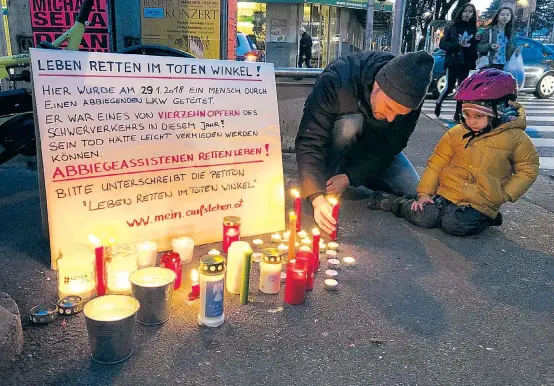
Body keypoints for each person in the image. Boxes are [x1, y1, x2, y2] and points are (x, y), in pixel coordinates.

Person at [368, 69, 539, 237]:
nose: (470, 121)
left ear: (498, 111)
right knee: (424, 216)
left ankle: (487, 218)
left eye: (478, 116)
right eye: (466, 114)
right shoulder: (456, 133)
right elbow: (436, 164)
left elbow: (528, 169)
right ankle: (392, 203)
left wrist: (505, 193)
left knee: (454, 225)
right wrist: (424, 194)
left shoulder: (514, 138)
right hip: (446, 195)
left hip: (480, 202)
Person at [295, 51, 434, 235]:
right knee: (350, 124)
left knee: (411, 189)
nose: (392, 118)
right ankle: (330, 175)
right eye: (390, 107)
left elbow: (391, 146)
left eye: (399, 114)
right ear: (378, 84)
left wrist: (350, 177)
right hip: (335, 146)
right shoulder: (338, 79)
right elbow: (310, 139)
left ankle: (357, 178)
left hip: (372, 151)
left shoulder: (411, 97)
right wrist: (316, 196)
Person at [435, 3, 479, 121]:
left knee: (462, 87)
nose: (467, 14)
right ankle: (439, 102)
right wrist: (457, 44)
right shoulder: (452, 26)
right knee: (449, 86)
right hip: (453, 60)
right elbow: (443, 44)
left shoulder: (474, 28)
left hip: (466, 61)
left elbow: (475, 47)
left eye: (470, 11)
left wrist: (475, 43)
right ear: (461, 12)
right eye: (465, 11)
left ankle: (458, 112)